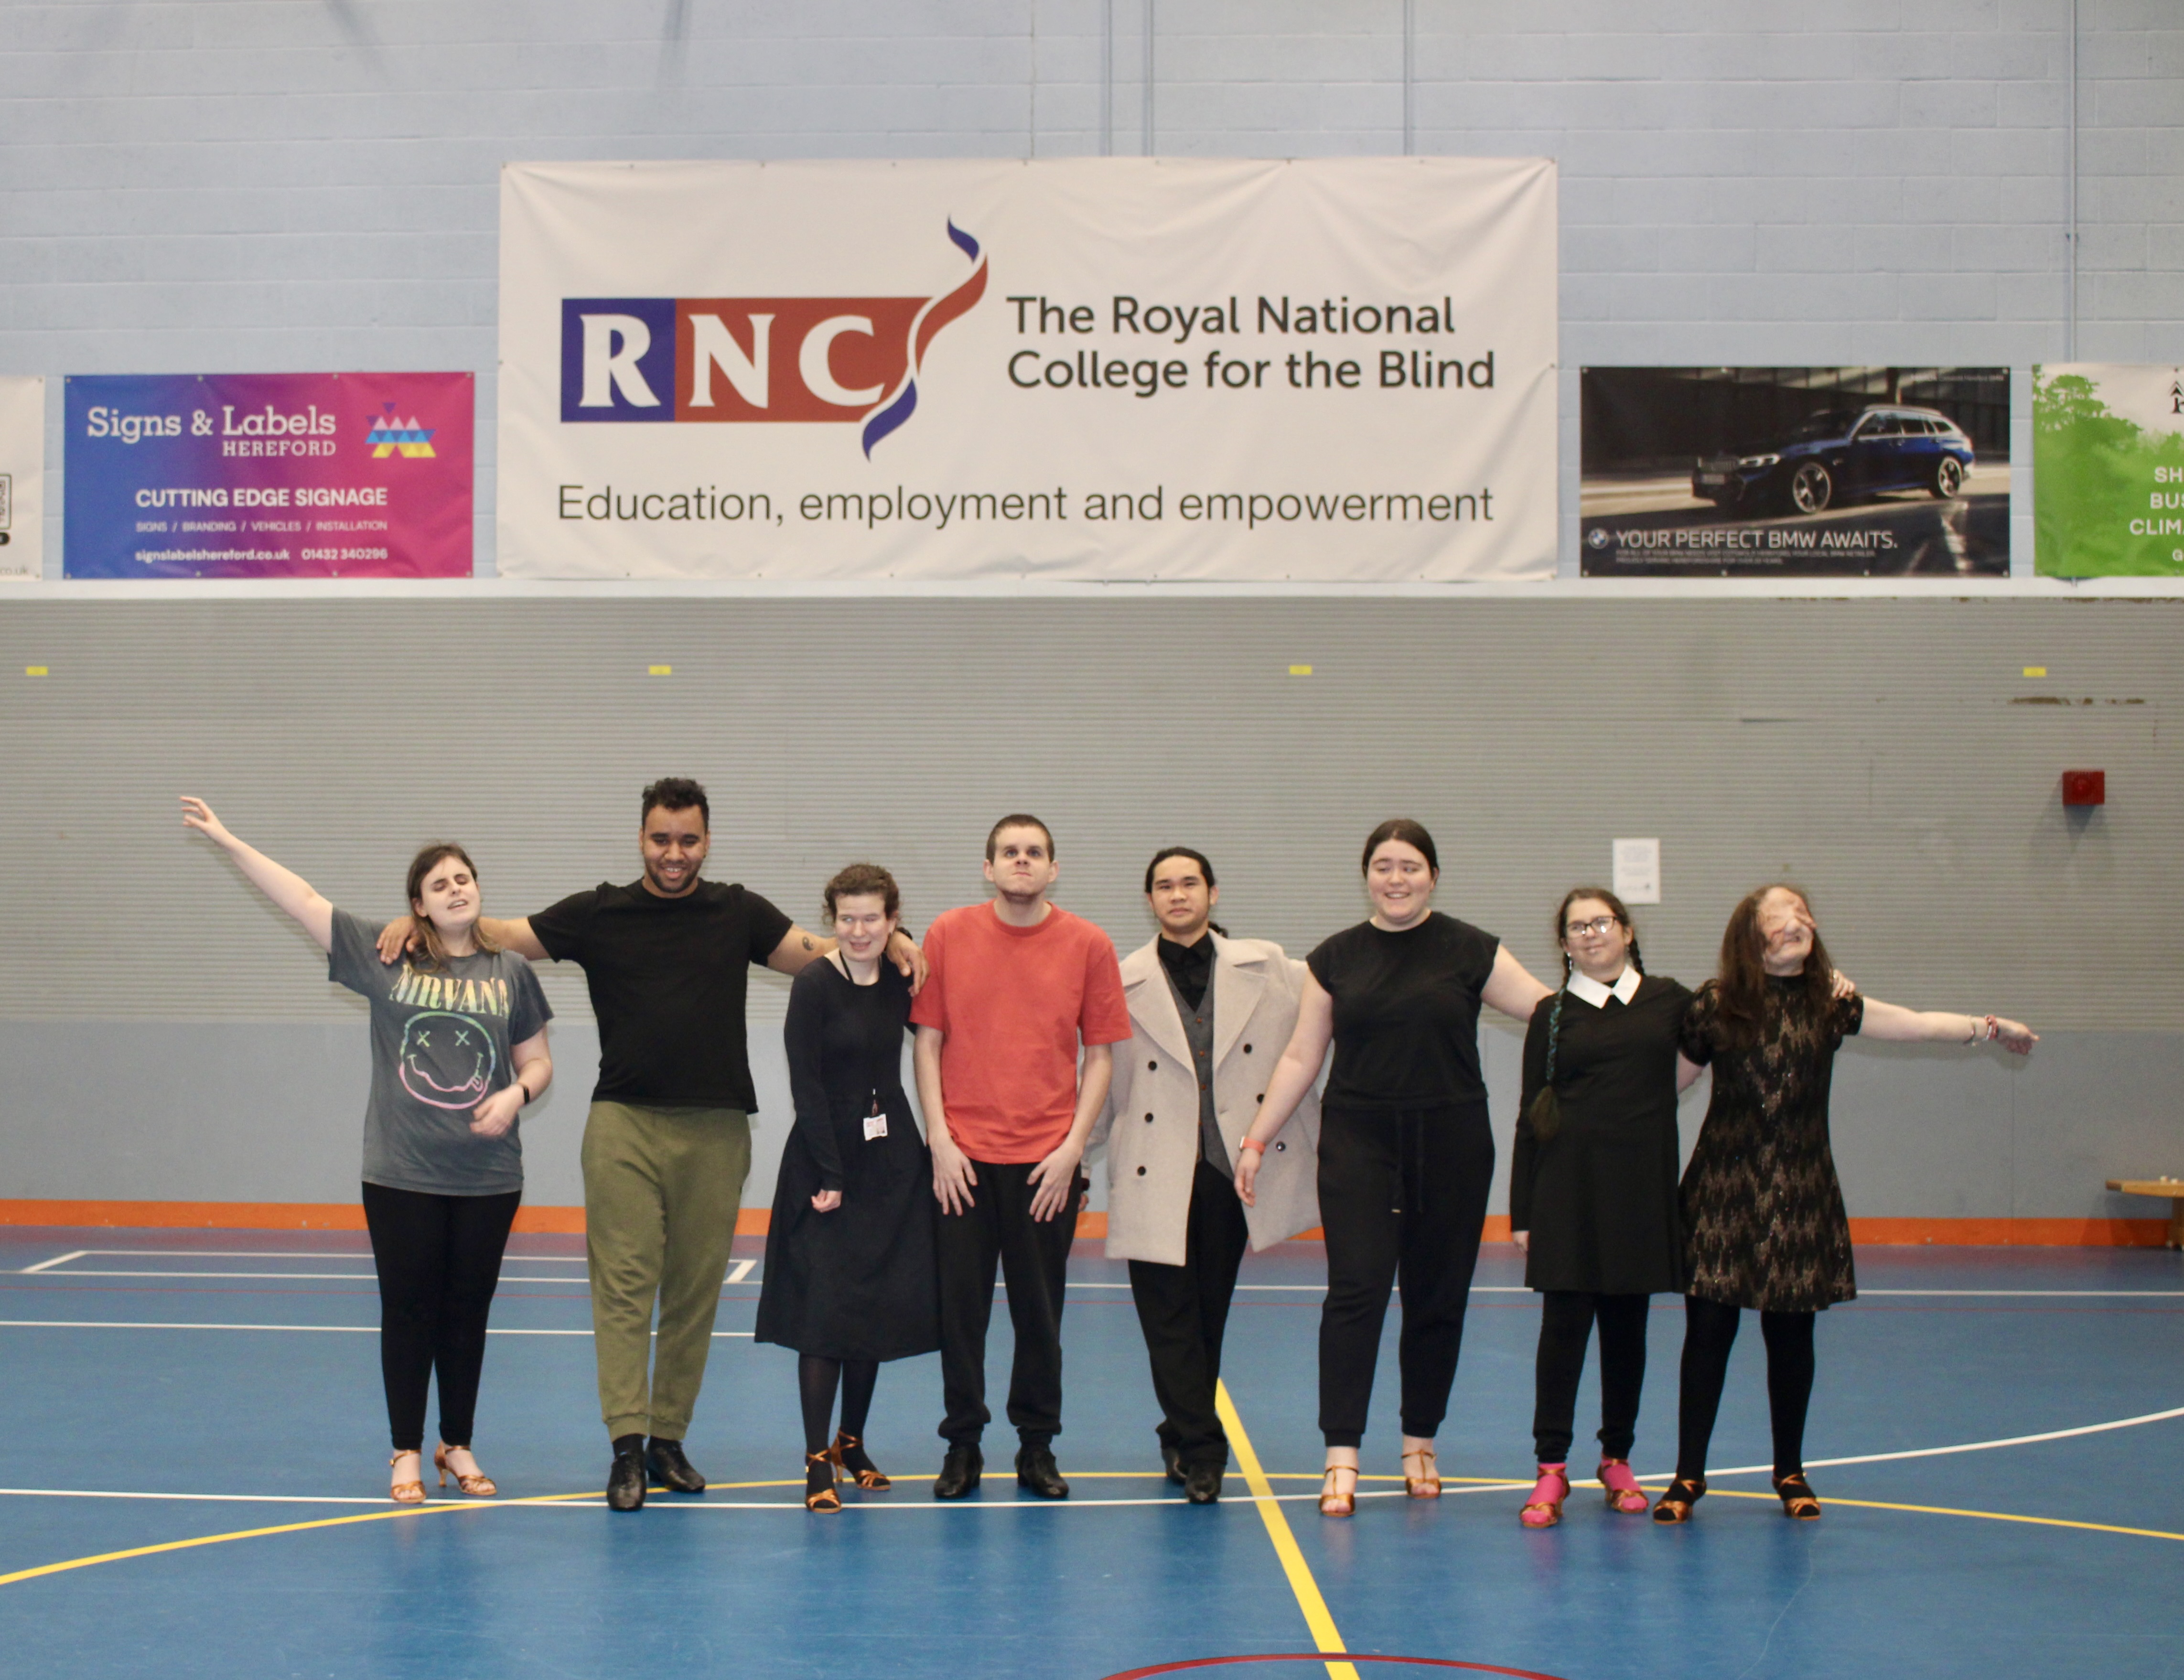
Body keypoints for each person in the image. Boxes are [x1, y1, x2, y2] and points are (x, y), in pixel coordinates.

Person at [375, 776, 922, 1511]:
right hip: (623, 1125)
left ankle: (669, 1441)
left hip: (717, 1129)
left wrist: (894, 938)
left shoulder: (738, 912)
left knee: (695, 1293)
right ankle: (627, 1447)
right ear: (641, 839)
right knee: (625, 1290)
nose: (674, 853)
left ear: (707, 842)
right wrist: (418, 922)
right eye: (661, 839)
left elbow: (826, 950)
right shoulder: (600, 912)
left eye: (688, 840)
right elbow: (499, 934)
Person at [180, 798, 552, 1504]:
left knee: (467, 1316)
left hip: (489, 1178)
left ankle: (458, 1443)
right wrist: (229, 841)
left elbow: (537, 1061)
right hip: (401, 1173)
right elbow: (303, 900)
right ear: (418, 905)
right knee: (409, 1311)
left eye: (464, 878)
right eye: (439, 883)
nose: (456, 889)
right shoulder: (387, 958)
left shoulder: (511, 973)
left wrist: (516, 1095)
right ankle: (406, 1450)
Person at [1652, 883, 2036, 1524]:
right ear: (1750, 935)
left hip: (1801, 1196)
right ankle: (1688, 1476)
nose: (1796, 923)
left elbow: (1915, 1025)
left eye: (1803, 914)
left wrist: (1991, 1028)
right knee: (1707, 1338)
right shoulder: (1715, 1006)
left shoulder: (1831, 1003)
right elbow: (1664, 1088)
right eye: (1780, 916)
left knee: (1792, 1340)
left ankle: (1790, 1472)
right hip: (1723, 1194)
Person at [1236, 818, 1554, 1516]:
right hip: (1360, 1141)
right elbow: (1301, 1055)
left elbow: (1549, 1013)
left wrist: (1627, 1013)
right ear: (1367, 877)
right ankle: (1341, 1454)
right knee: (1356, 1293)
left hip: (1453, 1141)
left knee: (1438, 1298)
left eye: (1410, 866)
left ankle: (1420, 1442)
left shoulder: (1471, 949)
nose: (1397, 878)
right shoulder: (1336, 957)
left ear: (1433, 876)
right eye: (1383, 866)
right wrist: (1256, 1139)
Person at [1093, 847, 1322, 1505]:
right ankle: (1202, 1449)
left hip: (1230, 1170)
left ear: (1213, 893)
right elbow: (1097, 1070)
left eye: (1189, 883)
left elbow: (1334, 1005)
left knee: (1205, 1314)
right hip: (1152, 1165)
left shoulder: (1270, 967)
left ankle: (1180, 1428)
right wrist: (1078, 1157)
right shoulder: (1119, 977)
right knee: (1165, 1314)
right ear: (1150, 901)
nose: (1178, 895)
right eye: (1164, 886)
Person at [912, 814, 1131, 1501]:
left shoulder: (1089, 944)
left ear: (1053, 869)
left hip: (1047, 1167)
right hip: (963, 1164)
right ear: (989, 868)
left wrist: (1073, 1151)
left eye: (1034, 852)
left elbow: (1101, 1057)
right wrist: (939, 1141)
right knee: (961, 1316)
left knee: (1041, 1315)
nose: (1022, 861)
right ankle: (963, 1445)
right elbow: (927, 1043)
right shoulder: (948, 934)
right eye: (1009, 852)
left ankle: (1037, 1446)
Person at [1509, 887, 1701, 1528]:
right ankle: (1551, 1468)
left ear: (1627, 929)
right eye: (1577, 928)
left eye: (1602, 922)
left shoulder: (1671, 1001)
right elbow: (1530, 1115)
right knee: (1562, 1333)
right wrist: (1523, 1213)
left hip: (1640, 1195)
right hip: (1566, 1194)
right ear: (1564, 944)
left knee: (1627, 1332)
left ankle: (1617, 1457)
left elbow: (1736, 1024)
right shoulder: (1552, 1015)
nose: (1591, 934)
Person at [753, 863, 939, 1513]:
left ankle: (851, 1444)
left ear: (892, 921)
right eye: (847, 918)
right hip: (824, 1161)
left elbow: (938, 1042)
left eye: (873, 919)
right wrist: (830, 1173)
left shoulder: (900, 978)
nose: (859, 931)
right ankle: (815, 1462)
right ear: (832, 920)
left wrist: (907, 945)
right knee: (825, 1315)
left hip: (892, 1162)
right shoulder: (813, 985)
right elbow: (805, 1087)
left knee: (875, 1307)